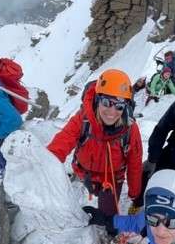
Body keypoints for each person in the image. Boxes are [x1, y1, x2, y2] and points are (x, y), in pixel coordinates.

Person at [47, 69, 143, 216]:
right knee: (94, 192)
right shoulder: (83, 120)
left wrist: (135, 194)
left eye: (119, 106)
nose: (112, 111)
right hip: (85, 174)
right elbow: (60, 144)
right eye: (106, 102)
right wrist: (43, 169)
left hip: (111, 179)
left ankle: (109, 230)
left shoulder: (130, 130)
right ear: (97, 100)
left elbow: (134, 162)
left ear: (126, 108)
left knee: (107, 214)